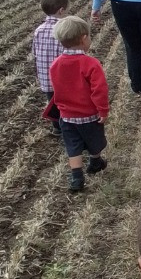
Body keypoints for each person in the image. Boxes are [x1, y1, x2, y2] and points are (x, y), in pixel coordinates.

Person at [49, 16, 109, 193]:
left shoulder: (56, 64)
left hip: (67, 116)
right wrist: (103, 110)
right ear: (84, 39)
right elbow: (99, 90)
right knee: (94, 139)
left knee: (72, 145)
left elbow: (57, 89)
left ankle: (76, 177)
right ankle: (95, 162)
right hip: (88, 114)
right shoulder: (90, 63)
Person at [33, 0, 68, 136]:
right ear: (61, 10)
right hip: (62, 76)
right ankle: (67, 127)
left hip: (46, 76)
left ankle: (56, 128)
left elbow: (35, 52)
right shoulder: (63, 30)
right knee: (65, 103)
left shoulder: (39, 30)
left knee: (52, 101)